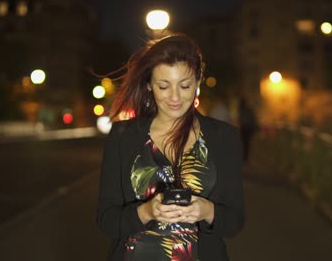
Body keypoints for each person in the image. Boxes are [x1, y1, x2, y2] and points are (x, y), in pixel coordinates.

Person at [96, 33, 245, 261]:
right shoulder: (123, 136)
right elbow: (106, 220)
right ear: (149, 85)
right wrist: (145, 212)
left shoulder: (225, 137)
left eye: (184, 86)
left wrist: (208, 211)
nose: (175, 97)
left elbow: (235, 221)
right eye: (164, 86)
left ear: (198, 80)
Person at [237, 97, 258, 162]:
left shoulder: (241, 110)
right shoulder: (249, 110)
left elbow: (240, 120)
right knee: (247, 143)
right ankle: (246, 157)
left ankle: (244, 157)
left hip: (244, 128)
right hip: (248, 129)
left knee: (244, 143)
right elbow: (253, 119)